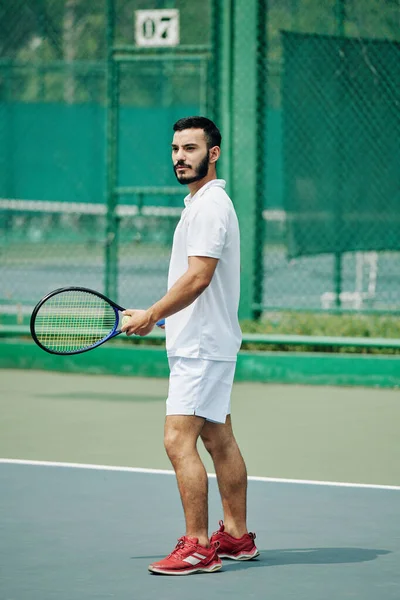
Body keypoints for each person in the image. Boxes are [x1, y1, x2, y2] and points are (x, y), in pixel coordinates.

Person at [121, 116, 258, 575]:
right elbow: (198, 282)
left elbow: (200, 276)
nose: (181, 156)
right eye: (176, 148)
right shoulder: (200, 205)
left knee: (178, 440)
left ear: (213, 153)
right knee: (219, 439)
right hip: (205, 341)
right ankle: (237, 538)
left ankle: (198, 546)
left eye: (191, 149)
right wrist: (158, 319)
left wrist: (153, 313)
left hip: (201, 348)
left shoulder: (209, 207)